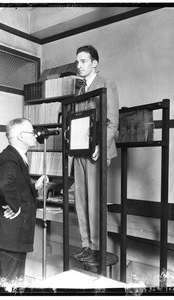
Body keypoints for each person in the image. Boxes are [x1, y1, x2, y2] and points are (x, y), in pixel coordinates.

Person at [0, 118, 48, 287]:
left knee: (6, 283)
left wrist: (34, 187)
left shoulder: (15, 156)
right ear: (21, 136)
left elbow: (14, 185)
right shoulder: (11, 159)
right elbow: (4, 184)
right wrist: (16, 207)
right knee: (11, 284)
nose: (35, 134)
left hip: (10, 236)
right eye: (31, 131)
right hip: (11, 236)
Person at [72, 45, 119, 263]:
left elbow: (112, 122)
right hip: (79, 151)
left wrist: (99, 145)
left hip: (96, 152)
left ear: (94, 63)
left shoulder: (106, 84)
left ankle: (98, 247)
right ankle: (86, 246)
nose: (79, 65)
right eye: (77, 62)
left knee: (94, 200)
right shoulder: (80, 91)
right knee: (81, 200)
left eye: (83, 61)